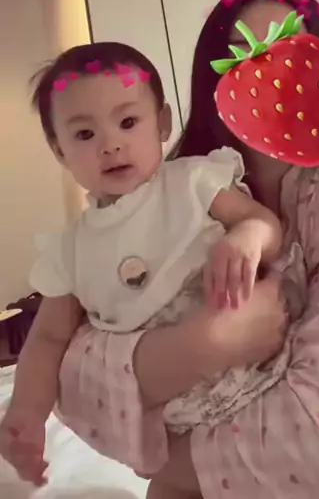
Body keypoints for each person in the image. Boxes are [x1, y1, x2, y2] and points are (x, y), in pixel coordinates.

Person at [1, 0, 319, 499]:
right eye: (245, 58)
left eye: (295, 56)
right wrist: (202, 345)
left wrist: (166, 464)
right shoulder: (130, 212)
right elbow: (62, 358)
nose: (273, 78)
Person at [0, 41, 294, 497]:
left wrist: (247, 237)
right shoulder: (70, 249)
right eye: (85, 135)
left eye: (128, 122)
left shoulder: (193, 182)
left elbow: (265, 223)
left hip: (260, 381)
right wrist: (26, 413)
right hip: (178, 427)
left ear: (163, 122)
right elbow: (49, 338)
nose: (111, 144)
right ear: (60, 151)